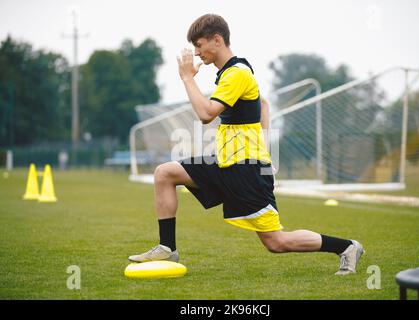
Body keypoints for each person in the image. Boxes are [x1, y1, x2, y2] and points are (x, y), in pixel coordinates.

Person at [129, 13, 364, 275]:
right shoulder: (233, 72)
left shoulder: (236, 74)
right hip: (227, 163)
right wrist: (264, 146)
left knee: (276, 242)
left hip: (246, 171)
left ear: (217, 40)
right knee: (165, 173)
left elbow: (206, 114)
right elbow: (263, 103)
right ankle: (167, 248)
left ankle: (347, 247)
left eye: (199, 44)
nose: (196, 53)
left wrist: (187, 78)